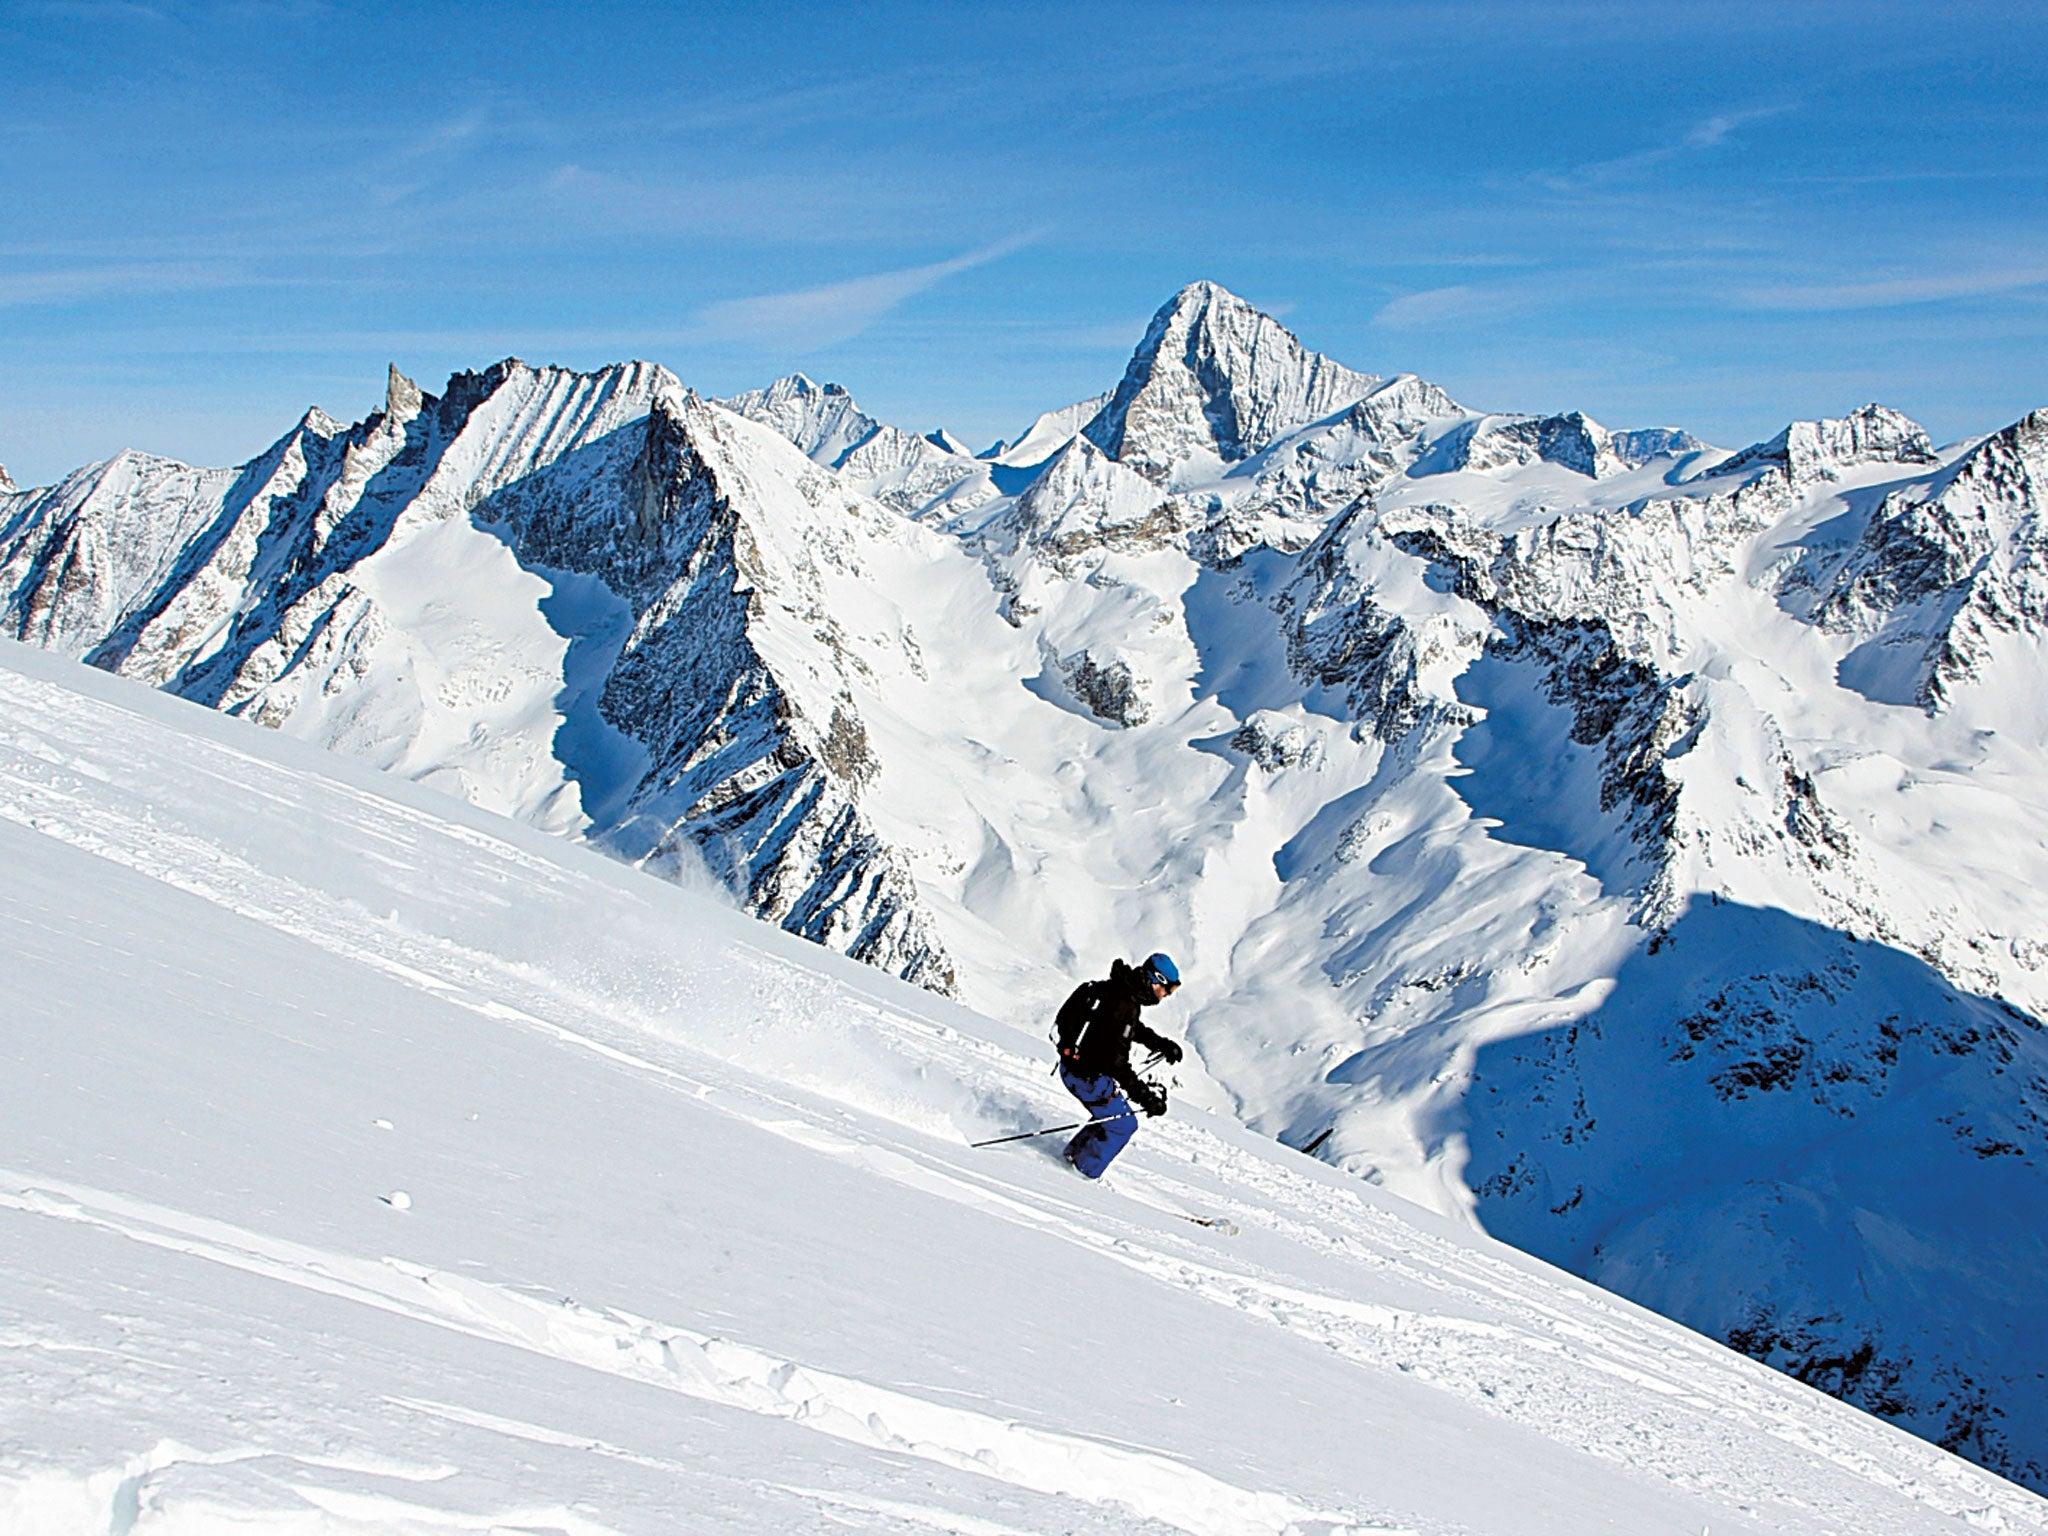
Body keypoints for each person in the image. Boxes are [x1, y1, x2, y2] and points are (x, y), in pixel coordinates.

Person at [1052, 952, 1186, 1178]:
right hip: (1086, 1077)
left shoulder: (1120, 991)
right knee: (1122, 1125)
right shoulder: (1124, 1004)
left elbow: (1128, 1027)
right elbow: (1118, 1065)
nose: (1166, 996)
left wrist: (1160, 1043)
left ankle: (1071, 1159)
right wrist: (1145, 1097)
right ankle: (1078, 1177)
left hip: (1073, 1067)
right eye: (1168, 989)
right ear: (1157, 981)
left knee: (1110, 1117)